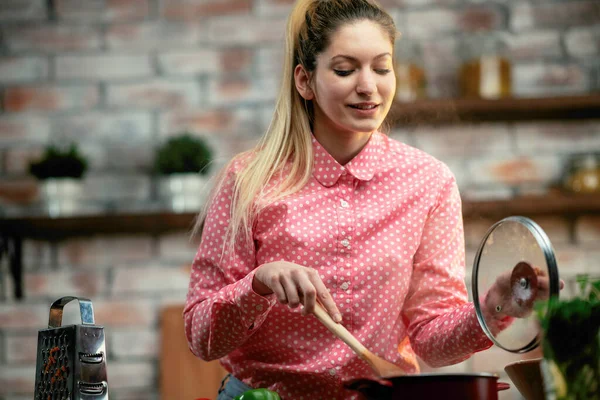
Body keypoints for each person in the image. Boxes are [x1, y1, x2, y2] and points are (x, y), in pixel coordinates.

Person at [183, 0, 557, 398]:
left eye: (382, 68)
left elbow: (430, 339)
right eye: (345, 70)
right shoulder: (248, 180)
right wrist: (258, 284)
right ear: (304, 81)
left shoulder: (429, 182)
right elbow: (200, 338)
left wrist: (495, 307)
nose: (368, 86)